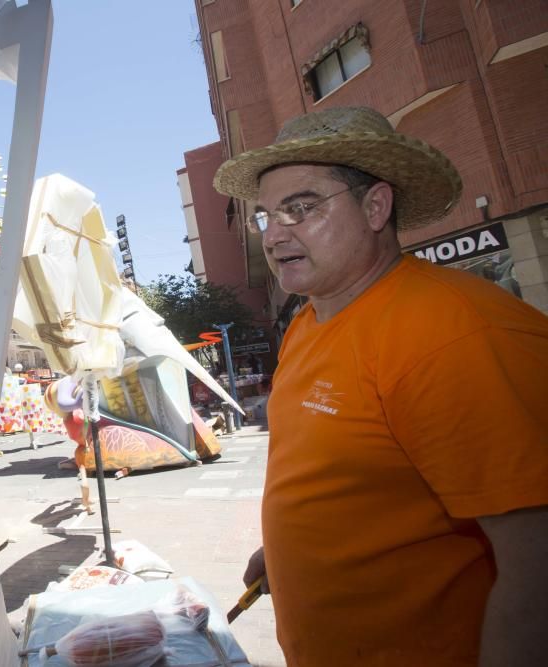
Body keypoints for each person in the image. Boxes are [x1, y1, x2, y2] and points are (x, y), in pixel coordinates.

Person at [214, 106, 548, 666]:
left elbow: (537, 567)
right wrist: (293, 553)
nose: (275, 236)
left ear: (375, 206)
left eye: (301, 208)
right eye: (267, 216)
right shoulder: (306, 322)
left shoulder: (459, 330)